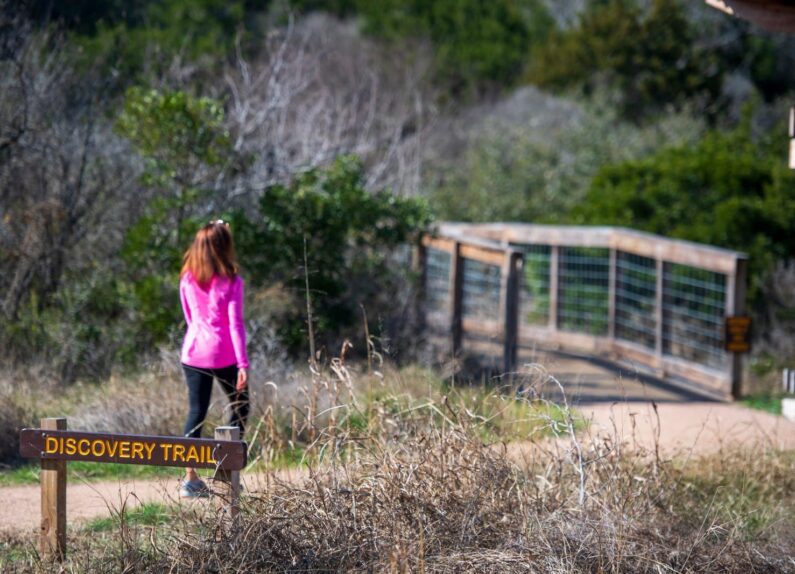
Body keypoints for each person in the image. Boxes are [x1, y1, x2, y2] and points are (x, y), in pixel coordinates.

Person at [178, 219, 250, 498]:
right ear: (224, 246)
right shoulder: (231, 280)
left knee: (196, 413)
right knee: (241, 407)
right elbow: (235, 324)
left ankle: (190, 479)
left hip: (193, 351)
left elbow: (189, 317)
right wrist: (243, 364)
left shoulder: (186, 278)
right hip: (224, 354)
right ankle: (224, 469)